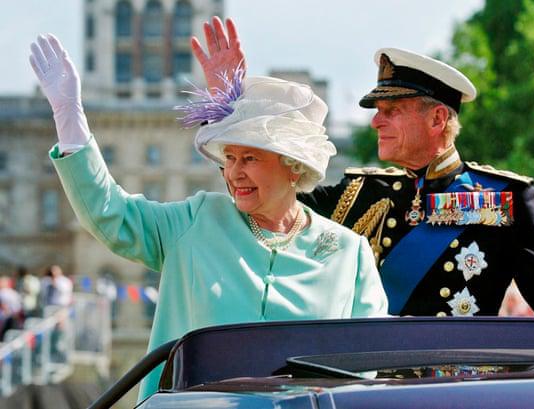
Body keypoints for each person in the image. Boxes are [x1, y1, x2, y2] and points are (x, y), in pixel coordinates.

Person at [29, 33, 388, 400]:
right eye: (229, 158)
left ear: (293, 167)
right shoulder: (195, 221)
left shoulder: (349, 254)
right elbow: (110, 213)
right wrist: (69, 116)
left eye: (249, 159)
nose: (234, 173)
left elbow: (365, 373)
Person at [194, 17, 534, 318]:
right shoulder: (359, 193)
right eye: (377, 112)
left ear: (436, 120)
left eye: (391, 111)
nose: (376, 123)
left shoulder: (505, 198)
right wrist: (227, 108)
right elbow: (262, 195)